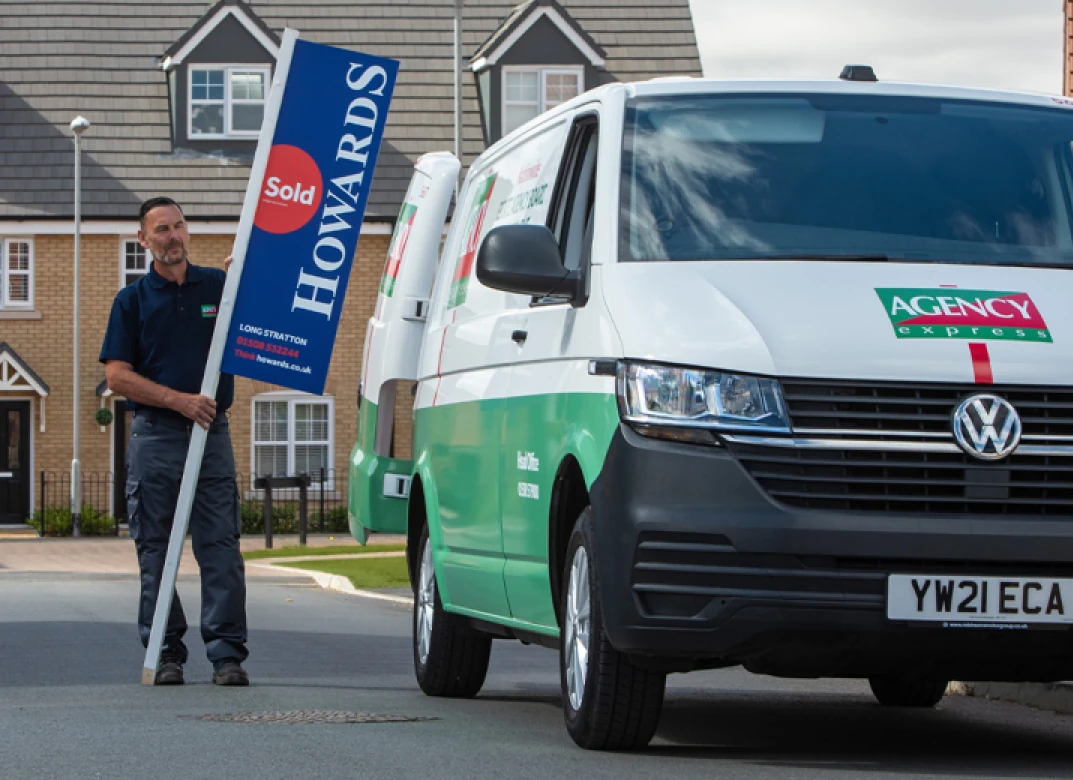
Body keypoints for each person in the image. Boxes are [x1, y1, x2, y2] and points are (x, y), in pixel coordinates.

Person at [100, 196, 249, 686]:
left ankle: (227, 656)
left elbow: (255, 325)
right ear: (144, 240)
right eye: (161, 229)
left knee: (220, 549)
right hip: (156, 437)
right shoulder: (132, 302)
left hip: (211, 435)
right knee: (156, 552)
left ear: (189, 231)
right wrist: (179, 400)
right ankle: (166, 651)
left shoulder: (218, 287)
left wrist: (245, 281)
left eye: (179, 226)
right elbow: (118, 377)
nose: (172, 236)